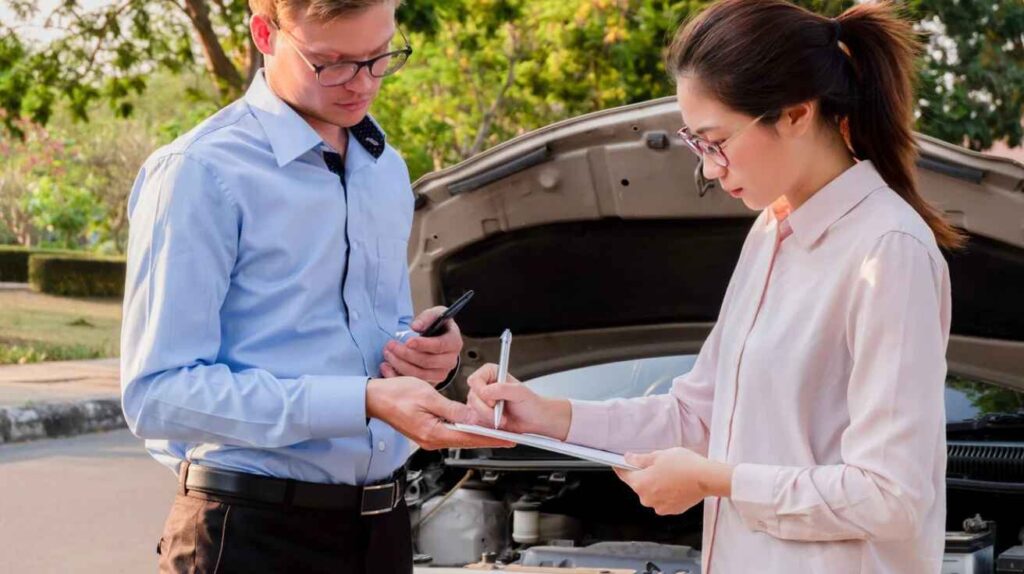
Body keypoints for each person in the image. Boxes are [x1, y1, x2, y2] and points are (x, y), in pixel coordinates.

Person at [466, 1, 963, 572]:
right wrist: (549, 415)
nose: (707, 168)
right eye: (696, 143)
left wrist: (719, 481)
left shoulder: (889, 252)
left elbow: (890, 497)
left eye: (716, 140)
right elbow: (698, 417)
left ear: (797, 114)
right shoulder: (771, 231)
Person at [120, 1, 503, 572]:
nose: (362, 83)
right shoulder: (200, 172)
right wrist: (363, 400)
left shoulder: (386, 169)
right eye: (333, 63)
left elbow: (367, 337)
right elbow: (157, 394)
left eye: (380, 57)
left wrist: (427, 357)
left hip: (385, 527)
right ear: (264, 34)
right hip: (249, 534)